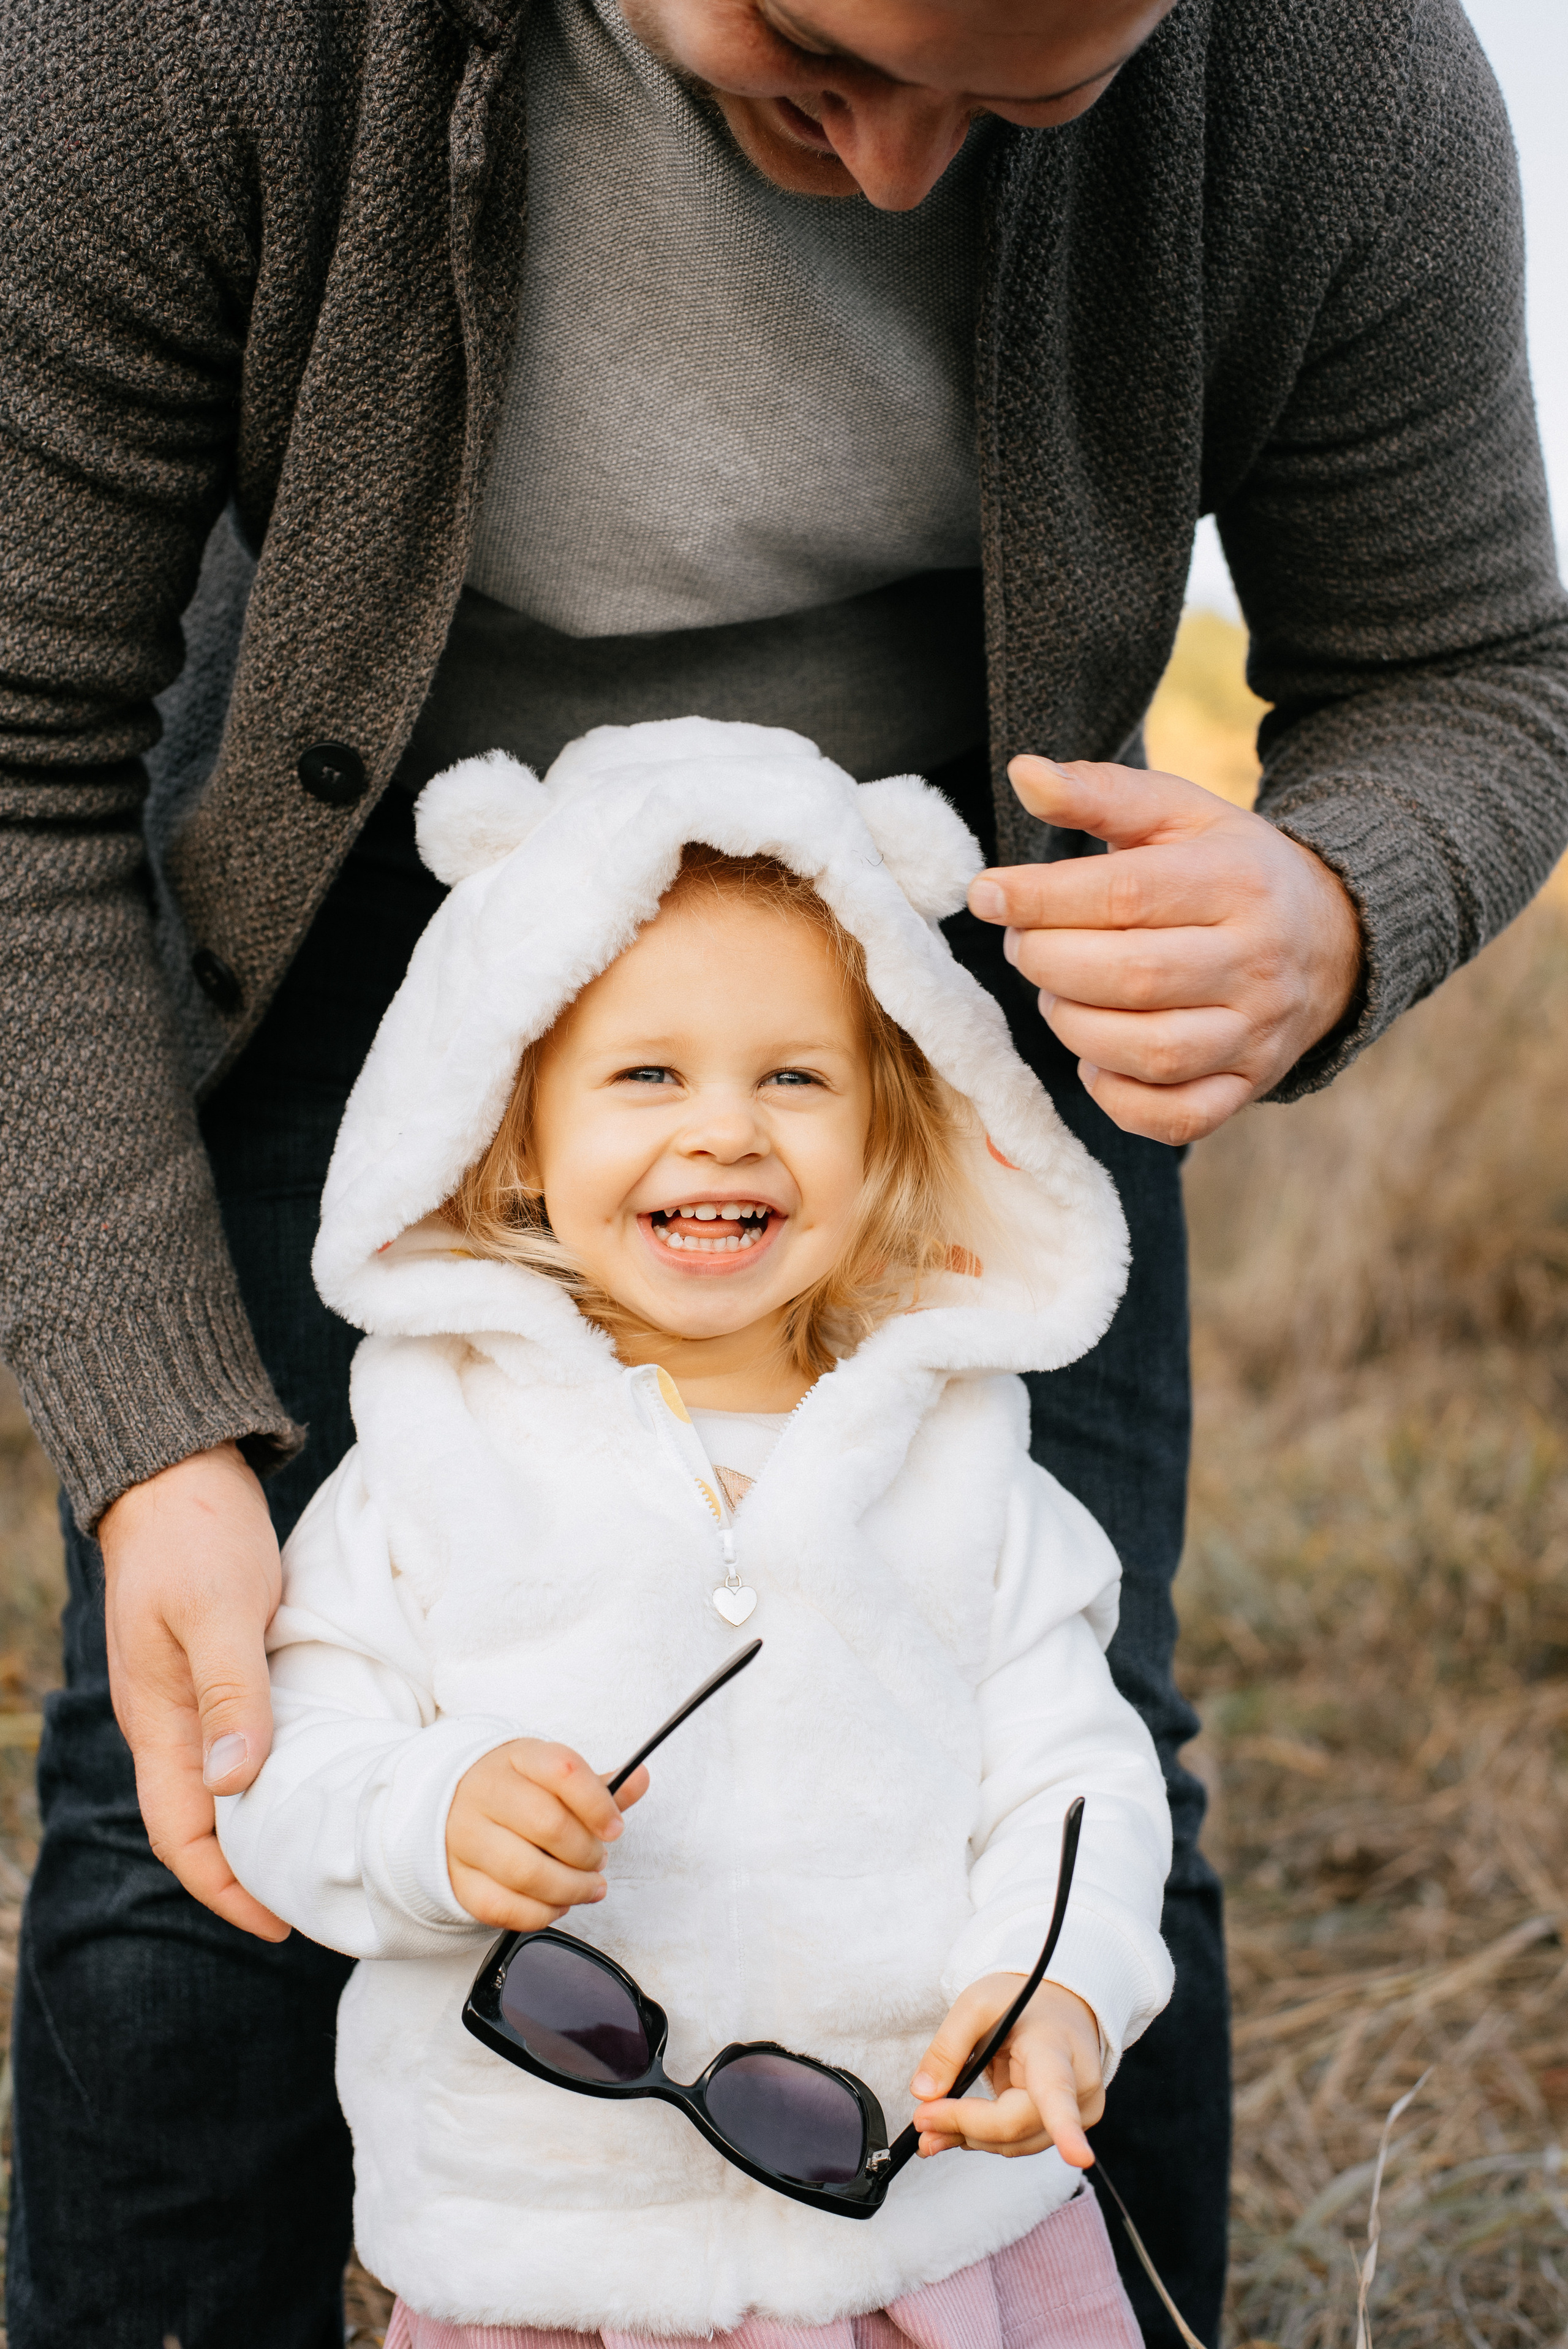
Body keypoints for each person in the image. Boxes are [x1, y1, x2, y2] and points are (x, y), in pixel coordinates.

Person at [1, 0, 1565, 2342]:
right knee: (205, 1769)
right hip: (358, 915)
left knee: (1057, 1730)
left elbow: (1472, 666)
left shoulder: (1327, 77)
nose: (903, 171)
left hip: (936, 963)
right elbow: (17, 751)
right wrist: (151, 1438)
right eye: (806, 53)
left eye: (1027, 97)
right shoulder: (177, 43)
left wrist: (1341, 897)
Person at [216, 717, 1177, 2346]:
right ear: (514, 1126)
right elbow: (290, 1763)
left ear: (892, 1131)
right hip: (544, 2242)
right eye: (647, 1073)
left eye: (795, 1077)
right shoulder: (429, 1461)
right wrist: (431, 1816)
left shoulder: (964, 1467)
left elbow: (1074, 1780)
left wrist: (1054, 1982)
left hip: (910, 2236)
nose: (724, 1129)